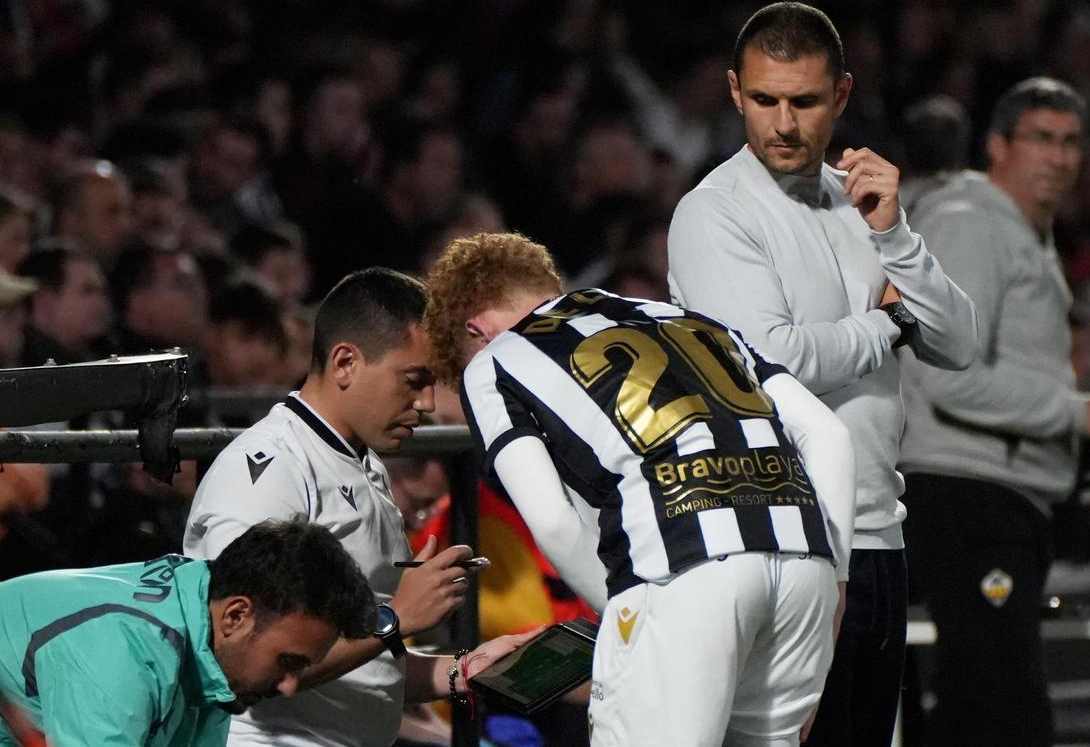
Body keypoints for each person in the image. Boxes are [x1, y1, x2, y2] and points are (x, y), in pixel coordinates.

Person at [666, 2, 978, 747]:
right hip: (784, 546)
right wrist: (888, 322)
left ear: (839, 96)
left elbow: (959, 341)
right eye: (765, 100)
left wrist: (896, 233)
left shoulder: (861, 202)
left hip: (880, 535)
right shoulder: (713, 214)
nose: (782, 122)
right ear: (735, 92)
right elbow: (769, 361)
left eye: (803, 102)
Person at [424, 232, 858, 747]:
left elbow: (554, 521)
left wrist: (622, 618)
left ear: (476, 329)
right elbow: (831, 436)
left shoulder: (494, 359)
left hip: (678, 571)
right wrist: (835, 584)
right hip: (804, 565)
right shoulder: (698, 322)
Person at [184, 267, 537, 747]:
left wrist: (460, 670)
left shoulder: (362, 465)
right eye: (413, 380)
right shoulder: (267, 469)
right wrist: (398, 618)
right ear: (345, 362)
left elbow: (363, 666)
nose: (427, 401)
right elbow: (237, 660)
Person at [898, 77, 1090, 747]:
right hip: (968, 496)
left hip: (1006, 497)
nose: (1059, 157)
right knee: (999, 712)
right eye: (1041, 138)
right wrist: (1074, 413)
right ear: (997, 145)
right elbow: (948, 377)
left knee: (987, 707)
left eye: (1071, 142)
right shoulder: (971, 222)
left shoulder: (1025, 236)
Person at [0, 518, 377, 747]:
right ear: (237, 616)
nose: (290, 686)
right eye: (287, 662)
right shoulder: (124, 650)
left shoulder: (209, 644)